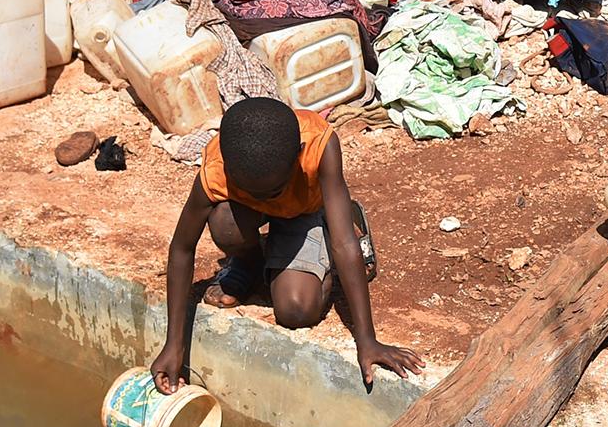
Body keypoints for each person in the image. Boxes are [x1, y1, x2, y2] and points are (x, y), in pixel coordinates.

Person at [151, 96, 422, 395]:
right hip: (247, 214)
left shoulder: (318, 144)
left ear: (298, 154)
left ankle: (342, 218)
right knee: (225, 223)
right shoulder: (218, 166)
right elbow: (182, 248)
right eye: (253, 192)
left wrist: (367, 340)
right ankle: (250, 260)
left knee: (296, 310)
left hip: (306, 210)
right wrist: (174, 345)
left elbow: (345, 244)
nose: (267, 199)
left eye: (273, 191)